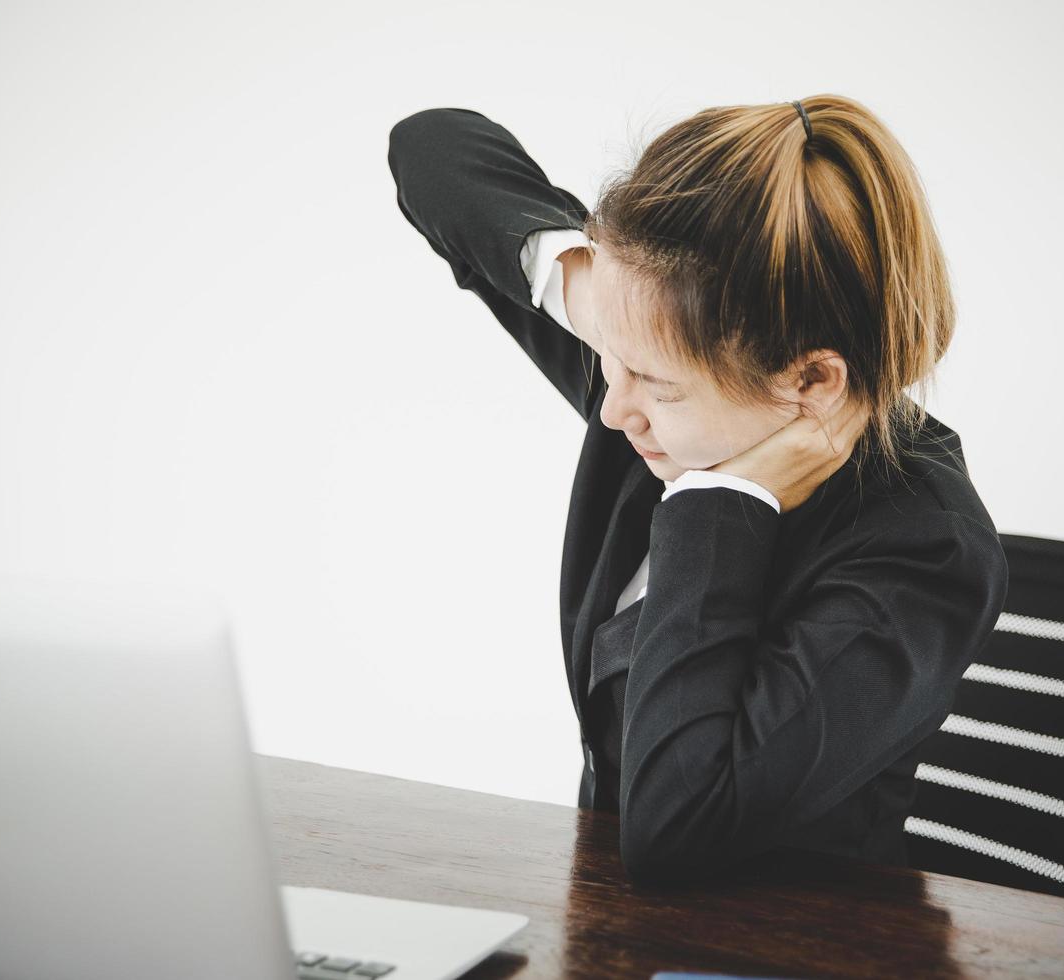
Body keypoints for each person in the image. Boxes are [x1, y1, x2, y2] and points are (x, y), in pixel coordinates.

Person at [386, 96, 1009, 886]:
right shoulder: (660, 364)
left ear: (810, 380)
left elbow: (677, 828)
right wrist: (597, 302)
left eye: (653, 382)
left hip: (794, 950)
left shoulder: (925, 551)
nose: (612, 410)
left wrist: (725, 504)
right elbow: (433, 148)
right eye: (609, 359)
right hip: (615, 931)